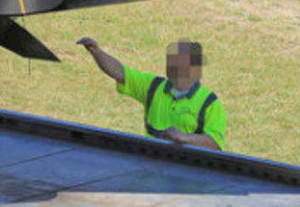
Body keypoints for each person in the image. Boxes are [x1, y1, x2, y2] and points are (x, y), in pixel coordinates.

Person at [77, 37, 226, 151]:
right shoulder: (154, 87)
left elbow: (215, 145)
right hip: (152, 160)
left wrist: (184, 138)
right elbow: (120, 73)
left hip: (187, 168)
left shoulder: (209, 103)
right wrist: (96, 52)